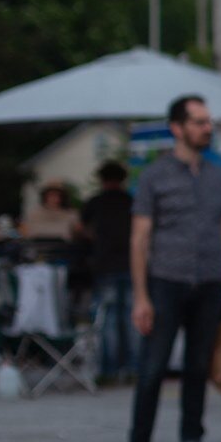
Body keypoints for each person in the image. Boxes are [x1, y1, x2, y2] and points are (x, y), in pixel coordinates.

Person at [121, 95, 221, 442]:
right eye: (199, 122)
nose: (207, 128)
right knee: (153, 368)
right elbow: (139, 238)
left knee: (198, 366)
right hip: (165, 281)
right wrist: (141, 296)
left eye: (208, 121)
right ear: (177, 128)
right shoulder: (154, 176)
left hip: (209, 283)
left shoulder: (218, 176)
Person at [79, 161, 135, 381]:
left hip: (105, 265)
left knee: (107, 319)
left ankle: (108, 370)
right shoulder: (130, 201)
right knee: (131, 318)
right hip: (130, 264)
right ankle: (133, 368)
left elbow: (83, 230)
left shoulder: (95, 202)